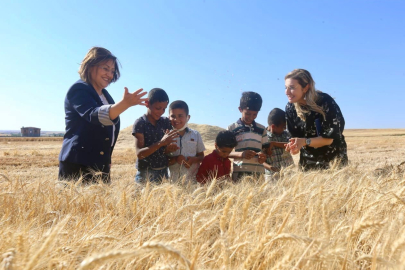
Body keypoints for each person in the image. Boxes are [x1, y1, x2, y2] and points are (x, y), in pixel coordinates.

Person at [59, 47, 147, 184]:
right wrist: (125, 104)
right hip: (78, 164)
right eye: (105, 68)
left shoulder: (106, 97)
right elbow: (94, 115)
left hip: (100, 164)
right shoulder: (79, 89)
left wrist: (106, 159)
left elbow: (109, 131)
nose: (110, 74)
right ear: (90, 66)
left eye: (112, 71)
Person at [284, 69, 348, 170]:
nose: (287, 92)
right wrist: (295, 146)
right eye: (286, 87)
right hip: (307, 164)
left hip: (333, 161)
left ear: (305, 87)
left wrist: (304, 142)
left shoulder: (324, 102)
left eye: (292, 88)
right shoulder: (290, 108)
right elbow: (297, 138)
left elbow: (329, 139)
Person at [132, 88, 178, 183]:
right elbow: (140, 154)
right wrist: (161, 143)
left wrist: (169, 148)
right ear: (147, 103)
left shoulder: (165, 122)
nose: (161, 112)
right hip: (145, 173)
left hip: (163, 172)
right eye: (158, 108)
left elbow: (166, 147)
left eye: (164, 109)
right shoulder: (140, 123)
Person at [228, 92, 268, 181]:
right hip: (239, 172)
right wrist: (241, 154)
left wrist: (263, 157)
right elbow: (225, 153)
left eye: (255, 114)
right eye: (248, 114)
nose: (251, 117)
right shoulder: (232, 128)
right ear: (240, 109)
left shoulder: (262, 129)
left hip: (259, 173)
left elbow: (266, 151)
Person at [167, 100, 205, 183]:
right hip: (172, 183)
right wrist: (175, 158)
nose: (176, 119)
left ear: (188, 117)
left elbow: (201, 156)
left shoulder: (195, 135)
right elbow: (162, 160)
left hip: (192, 181)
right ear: (168, 117)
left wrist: (193, 160)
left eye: (180, 116)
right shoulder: (166, 136)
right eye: (173, 116)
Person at [263, 108, 294, 181]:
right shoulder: (263, 137)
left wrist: (274, 143)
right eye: (283, 127)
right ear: (273, 127)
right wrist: (270, 167)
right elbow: (259, 159)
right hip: (272, 176)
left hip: (289, 173)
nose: (285, 128)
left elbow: (290, 144)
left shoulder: (285, 134)